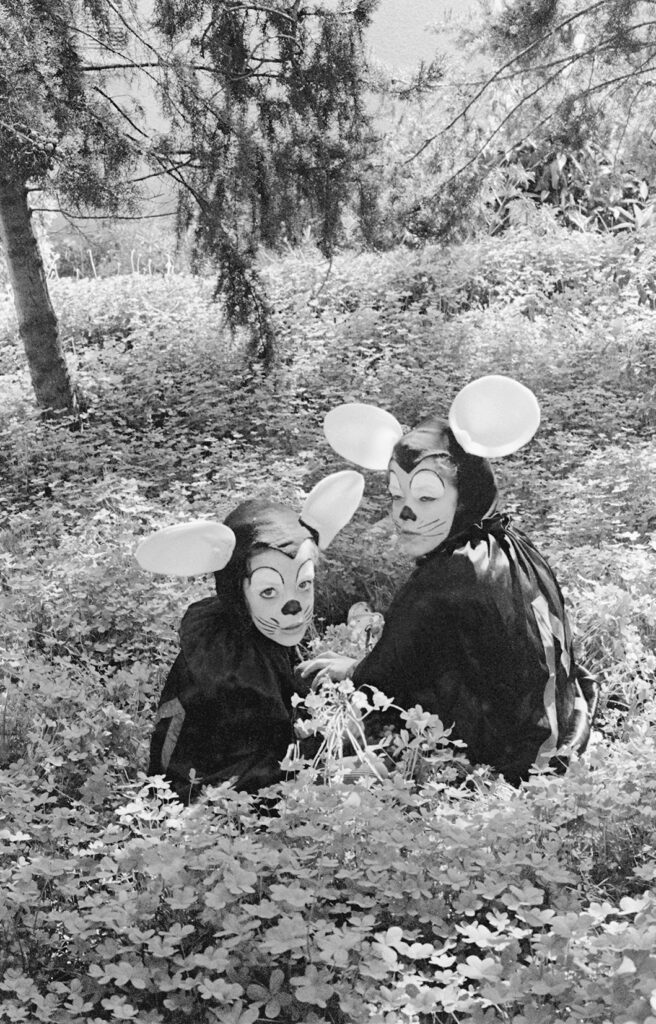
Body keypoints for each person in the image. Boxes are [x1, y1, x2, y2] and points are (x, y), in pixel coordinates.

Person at [300, 376, 599, 786]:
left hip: (515, 759)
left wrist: (352, 674)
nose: (404, 514)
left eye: (426, 497)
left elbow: (382, 676)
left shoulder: (448, 576)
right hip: (558, 717)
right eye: (397, 495)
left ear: (466, 495)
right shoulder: (508, 540)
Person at [136, 471, 364, 803]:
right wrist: (339, 750)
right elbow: (266, 770)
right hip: (215, 799)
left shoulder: (255, 627)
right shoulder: (234, 667)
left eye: (304, 584)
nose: (293, 608)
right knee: (367, 773)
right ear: (236, 591)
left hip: (252, 778)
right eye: (269, 591)